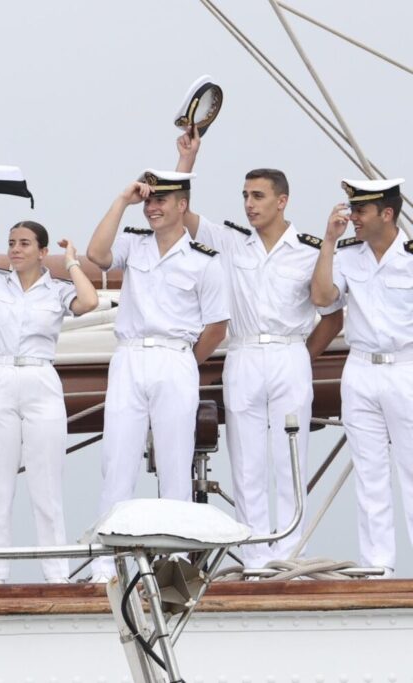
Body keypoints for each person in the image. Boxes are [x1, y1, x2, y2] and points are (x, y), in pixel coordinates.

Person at [175, 128, 344, 570]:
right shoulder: (231, 241)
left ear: (282, 201)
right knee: (246, 461)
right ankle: (254, 559)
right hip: (244, 354)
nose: (249, 204)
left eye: (258, 196)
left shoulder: (309, 250)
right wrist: (187, 159)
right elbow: (180, 214)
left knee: (290, 459)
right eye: (245, 196)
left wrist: (301, 358)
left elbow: (332, 313)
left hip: (289, 353)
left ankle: (288, 556)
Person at [0, 183, 99, 584]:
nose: (15, 249)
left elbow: (89, 302)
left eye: (24, 243)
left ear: (42, 251)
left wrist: (73, 263)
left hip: (41, 377)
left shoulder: (58, 289)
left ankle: (56, 573)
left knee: (46, 483)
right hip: (0, 375)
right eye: (11, 243)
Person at [85, 168, 229, 582]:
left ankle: (174, 562)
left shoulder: (204, 261)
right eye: (149, 201)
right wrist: (121, 201)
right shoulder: (134, 244)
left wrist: (184, 362)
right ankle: (106, 565)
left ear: (182, 205)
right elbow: (97, 254)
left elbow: (217, 326)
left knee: (174, 462)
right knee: (117, 460)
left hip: (175, 356)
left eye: (160, 200)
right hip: (129, 356)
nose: (151, 208)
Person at [311, 177, 413, 578]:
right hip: (360, 368)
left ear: (386, 214)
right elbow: (323, 298)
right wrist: (328, 242)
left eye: (360, 210)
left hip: (405, 367)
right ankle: (378, 567)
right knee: (369, 472)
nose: (352, 217)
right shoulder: (347, 254)